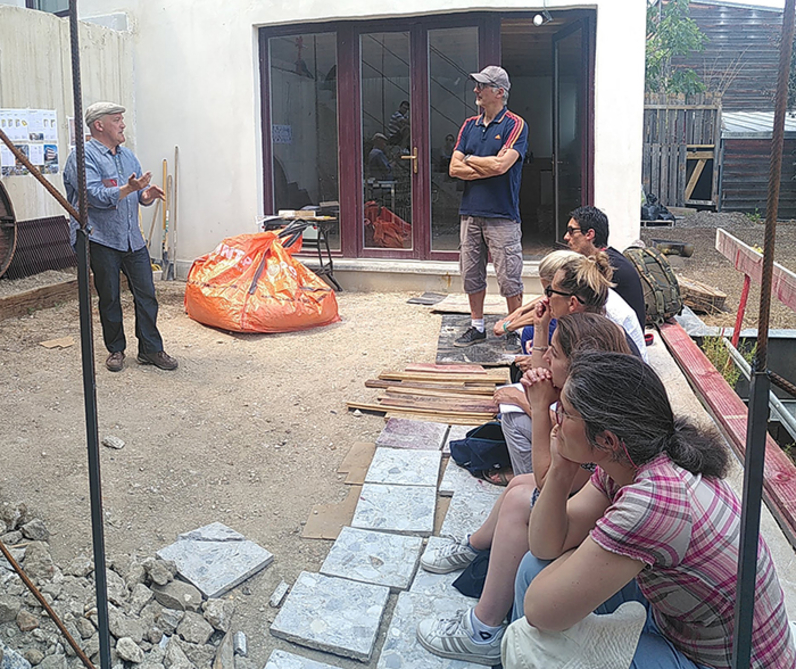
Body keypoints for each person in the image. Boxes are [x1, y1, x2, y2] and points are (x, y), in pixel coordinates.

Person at [510, 352, 795, 669]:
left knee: (537, 640)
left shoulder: (655, 499)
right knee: (534, 567)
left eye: (566, 412)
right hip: (682, 626)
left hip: (728, 662)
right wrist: (561, 470)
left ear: (606, 439)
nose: (557, 420)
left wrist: (581, 561)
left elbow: (539, 611)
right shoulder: (631, 460)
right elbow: (545, 544)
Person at [416, 314, 634, 667]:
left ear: (580, 365)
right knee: (520, 486)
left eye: (554, 353)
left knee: (522, 497)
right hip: (601, 510)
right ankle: (475, 546)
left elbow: (550, 479)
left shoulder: (599, 423)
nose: (544, 357)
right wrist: (544, 329)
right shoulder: (604, 388)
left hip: (623, 560)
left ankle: (483, 630)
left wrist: (536, 407)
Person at [63, 101, 177, 372]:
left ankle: (151, 349)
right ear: (99, 125)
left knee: (147, 295)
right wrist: (128, 188)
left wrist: (145, 195)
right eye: (117, 119)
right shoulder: (82, 157)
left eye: (122, 119)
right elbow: (93, 197)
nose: (123, 124)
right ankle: (115, 350)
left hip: (132, 239)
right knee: (110, 296)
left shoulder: (128, 157)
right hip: (101, 238)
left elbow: (138, 195)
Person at [449, 65, 528, 352]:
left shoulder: (515, 125)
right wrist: (484, 162)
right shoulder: (469, 125)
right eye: (477, 85)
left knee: (509, 275)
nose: (476, 90)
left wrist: (470, 159)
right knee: (471, 272)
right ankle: (477, 326)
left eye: (482, 86)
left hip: (503, 214)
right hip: (470, 213)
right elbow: (454, 168)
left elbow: (502, 165)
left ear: (499, 91)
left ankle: (513, 328)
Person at [564, 205, 646, 330]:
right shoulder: (607, 258)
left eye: (571, 231)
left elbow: (565, 302)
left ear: (589, 234)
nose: (566, 237)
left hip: (621, 344)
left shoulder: (609, 267)